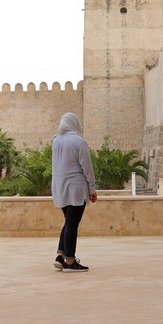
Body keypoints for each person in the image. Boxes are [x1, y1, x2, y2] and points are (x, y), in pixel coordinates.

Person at [51, 112, 97, 272]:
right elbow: (87, 167)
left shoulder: (56, 141)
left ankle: (61, 255)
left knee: (69, 221)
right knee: (72, 223)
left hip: (60, 187)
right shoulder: (79, 141)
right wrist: (92, 188)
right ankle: (70, 262)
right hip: (75, 187)